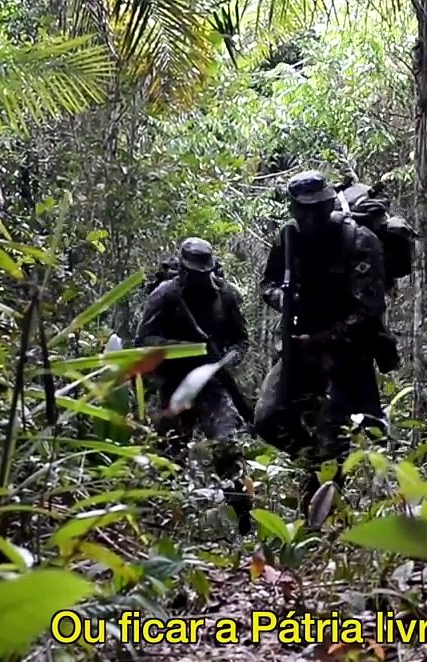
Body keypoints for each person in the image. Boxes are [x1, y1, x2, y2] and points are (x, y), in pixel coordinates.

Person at [253, 170, 389, 521]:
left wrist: (321, 342)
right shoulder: (288, 240)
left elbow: (368, 311)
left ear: (329, 204)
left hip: (346, 352)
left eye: (318, 208)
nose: (310, 217)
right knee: (267, 417)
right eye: (303, 209)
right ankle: (313, 471)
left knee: (334, 438)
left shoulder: (359, 241)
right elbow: (268, 283)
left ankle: (323, 523)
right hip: (301, 346)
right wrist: (284, 300)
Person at [134, 237, 253, 534]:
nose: (198, 279)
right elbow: (143, 341)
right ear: (183, 270)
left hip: (212, 385)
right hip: (175, 385)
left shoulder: (225, 297)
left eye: (203, 273)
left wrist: (227, 360)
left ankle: (244, 522)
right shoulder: (165, 295)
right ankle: (160, 525)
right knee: (166, 455)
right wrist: (184, 348)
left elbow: (241, 340)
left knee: (227, 447)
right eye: (192, 273)